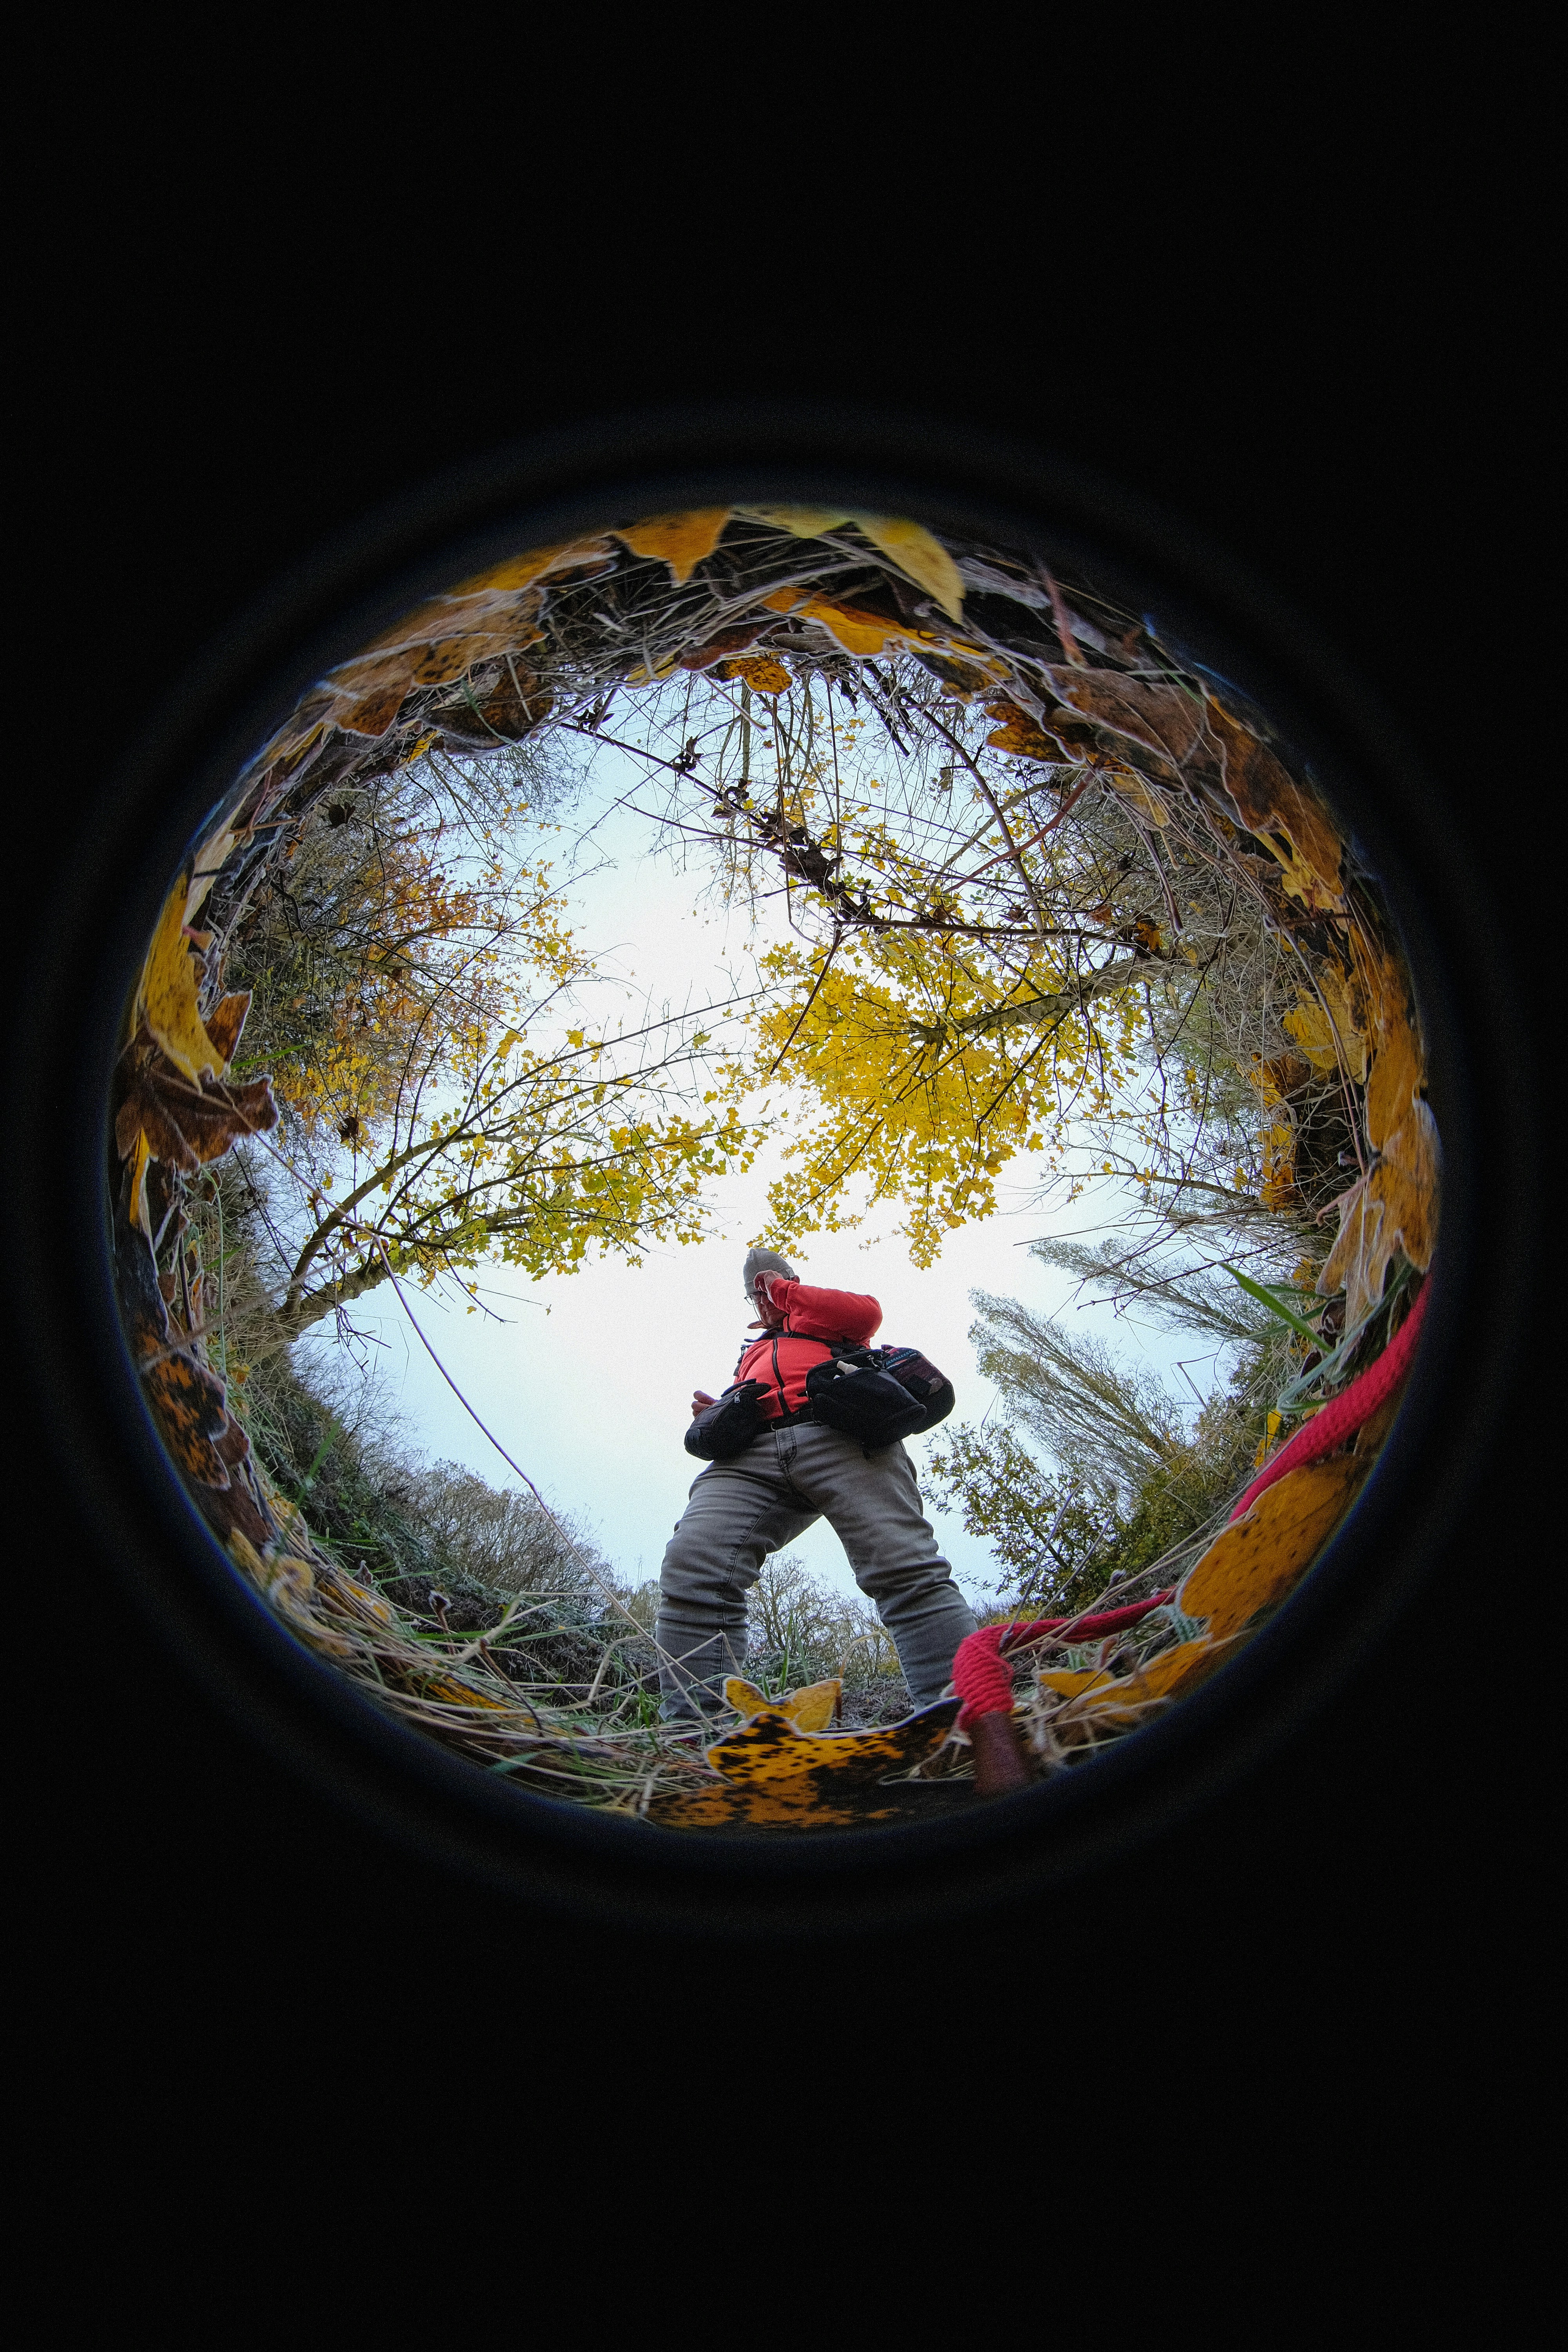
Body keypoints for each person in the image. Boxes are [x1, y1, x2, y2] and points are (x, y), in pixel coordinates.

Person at [655, 1249, 978, 1720]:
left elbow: (865, 1312)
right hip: (750, 1455)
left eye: (766, 1286)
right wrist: (720, 1410)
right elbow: (757, 1390)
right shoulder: (752, 1351)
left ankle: (967, 1721)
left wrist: (781, 1289)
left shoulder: (829, 1321)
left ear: (793, 1283)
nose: (761, 1298)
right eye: (753, 1294)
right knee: (693, 1565)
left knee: (902, 1567)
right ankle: (694, 1737)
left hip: (842, 1435)